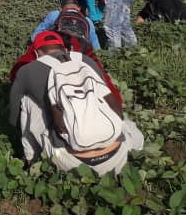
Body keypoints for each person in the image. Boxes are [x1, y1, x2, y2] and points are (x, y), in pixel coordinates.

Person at [9, 31, 143, 177]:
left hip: (71, 164)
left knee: (28, 101)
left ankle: (32, 160)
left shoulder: (27, 70)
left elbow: (13, 118)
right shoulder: (86, 61)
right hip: (118, 156)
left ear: (35, 54)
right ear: (66, 49)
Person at [32, 0, 102, 51]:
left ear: (61, 9)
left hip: (58, 49)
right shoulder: (87, 20)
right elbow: (94, 43)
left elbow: (35, 36)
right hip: (80, 52)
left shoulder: (55, 14)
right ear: (79, 8)